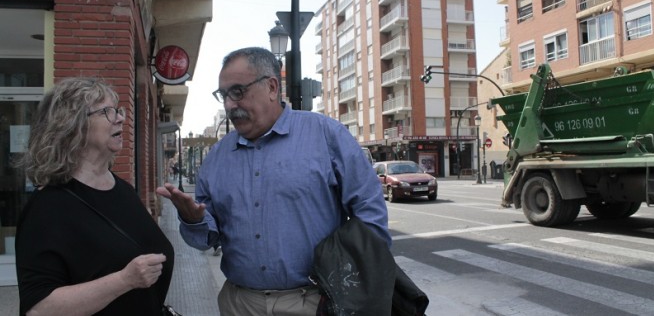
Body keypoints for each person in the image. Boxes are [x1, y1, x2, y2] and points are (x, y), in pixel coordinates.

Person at [156, 46, 391, 315]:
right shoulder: (217, 158)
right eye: (224, 95)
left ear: (271, 87)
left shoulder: (326, 136)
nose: (230, 104)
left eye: (238, 91)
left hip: (315, 303)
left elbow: (370, 216)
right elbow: (205, 240)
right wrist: (193, 220)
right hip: (239, 304)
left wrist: (356, 289)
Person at [14, 78, 174, 315]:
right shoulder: (47, 207)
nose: (120, 118)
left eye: (118, 110)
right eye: (107, 112)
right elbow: (38, 309)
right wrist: (123, 280)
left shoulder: (124, 190)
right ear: (73, 125)